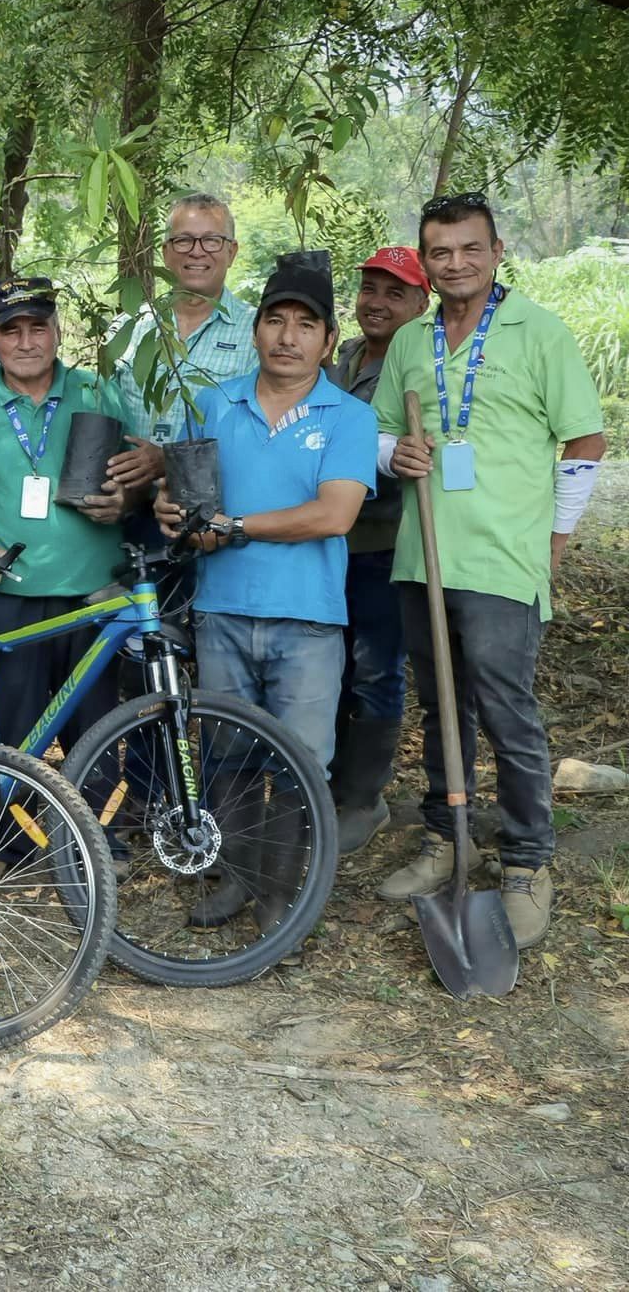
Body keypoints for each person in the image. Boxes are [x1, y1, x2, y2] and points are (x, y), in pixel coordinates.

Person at [371, 193, 606, 948]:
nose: (455, 264)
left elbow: (585, 441)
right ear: (427, 261)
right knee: (442, 708)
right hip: (425, 556)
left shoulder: (540, 332)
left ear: (498, 251)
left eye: (470, 249)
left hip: (505, 560)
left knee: (507, 713)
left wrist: (559, 537)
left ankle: (527, 860)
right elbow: (378, 434)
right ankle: (448, 838)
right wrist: (392, 455)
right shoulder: (412, 339)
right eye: (440, 253)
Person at [154, 255, 378, 928]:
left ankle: (283, 896)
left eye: (305, 325)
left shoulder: (347, 416)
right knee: (227, 751)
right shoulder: (216, 402)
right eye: (275, 321)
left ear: (328, 340)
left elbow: (334, 514)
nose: (288, 336)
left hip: (308, 618)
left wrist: (237, 527)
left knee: (303, 762)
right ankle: (238, 879)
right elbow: (186, 497)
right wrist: (175, 513)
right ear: (255, 331)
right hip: (221, 609)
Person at [0, 278, 136, 752]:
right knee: (10, 750)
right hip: (8, 601)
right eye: (11, 330)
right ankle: (7, 828)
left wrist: (127, 500)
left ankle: (96, 830)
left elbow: (138, 475)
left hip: (92, 599)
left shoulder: (97, 391)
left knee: (95, 749)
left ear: (57, 332)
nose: (25, 342)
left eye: (37, 328)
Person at [328, 247, 430, 854]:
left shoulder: (414, 368)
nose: (378, 302)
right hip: (328, 542)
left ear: (422, 303)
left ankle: (364, 799)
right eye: (371, 288)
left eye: (396, 293)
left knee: (375, 670)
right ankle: (330, 783)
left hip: (384, 544)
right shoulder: (342, 358)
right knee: (333, 663)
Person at [111, 193, 259, 446]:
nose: (197, 252)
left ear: (231, 252)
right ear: (166, 252)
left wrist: (168, 461)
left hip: (216, 484)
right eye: (183, 241)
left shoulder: (259, 331)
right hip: (128, 484)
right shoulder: (128, 327)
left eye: (212, 241)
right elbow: (105, 414)